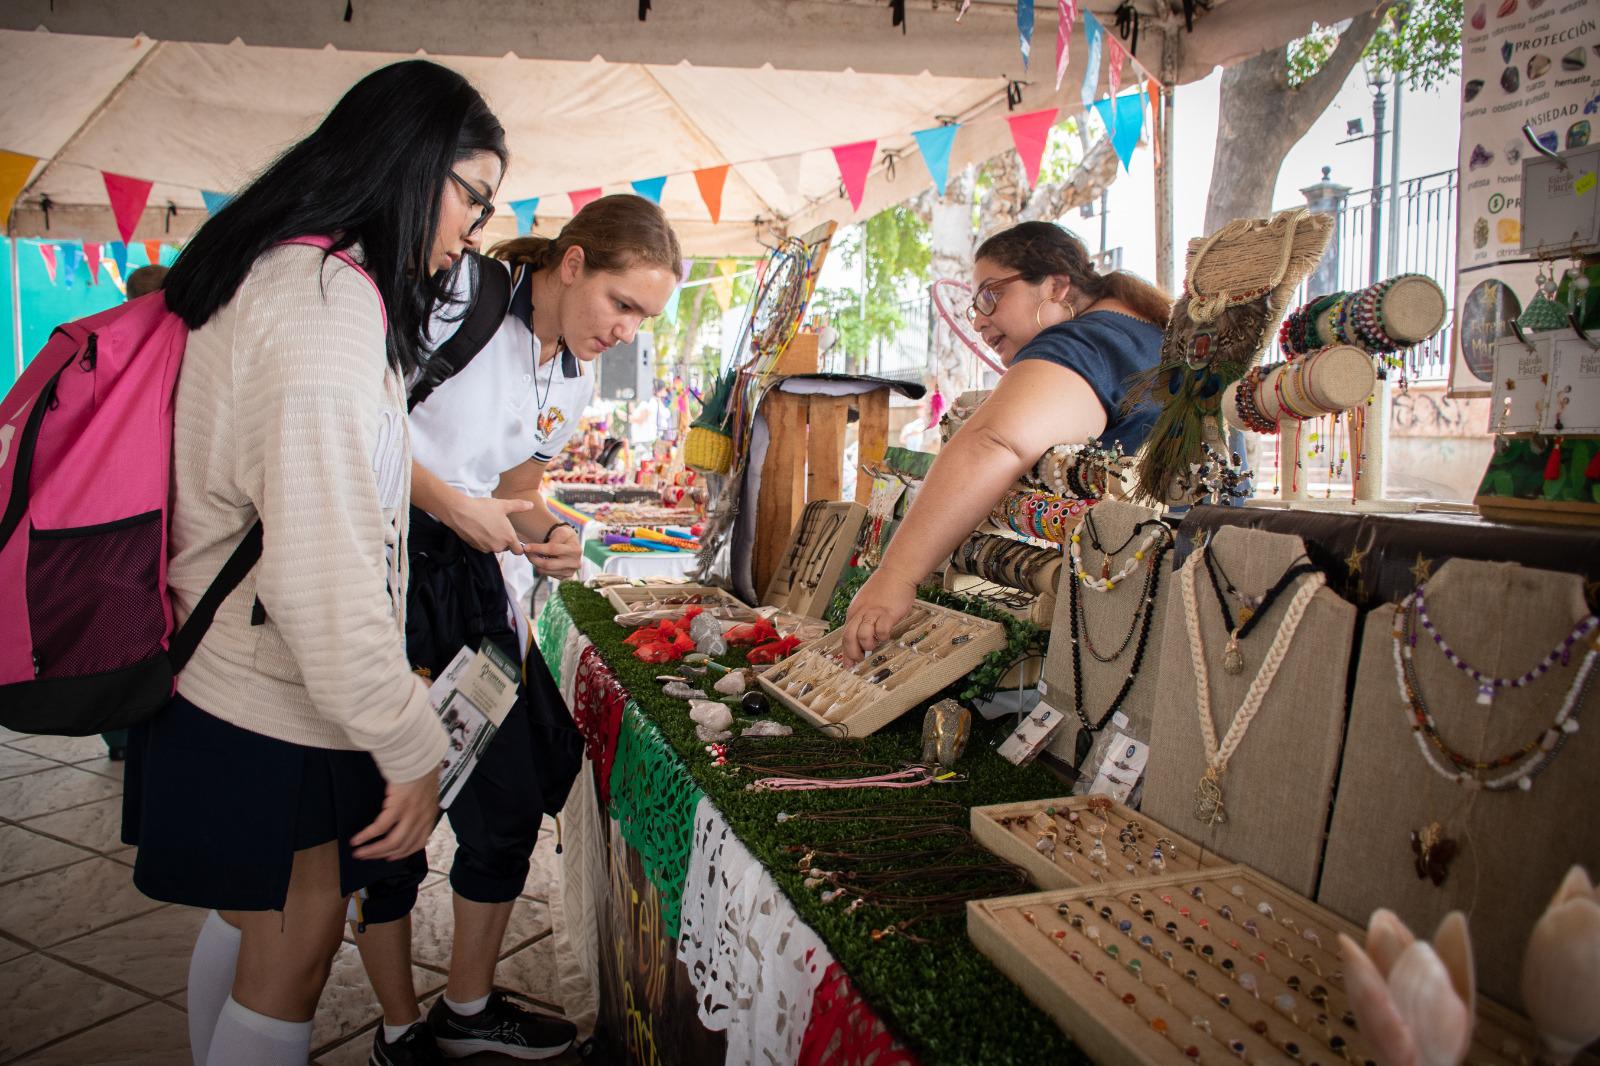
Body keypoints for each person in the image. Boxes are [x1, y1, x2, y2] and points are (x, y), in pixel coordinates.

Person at [119, 60, 507, 1066]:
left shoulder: (293, 272)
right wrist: (408, 739)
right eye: (474, 195)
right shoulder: (320, 301)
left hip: (230, 670)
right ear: (411, 163)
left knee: (257, 927)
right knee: (290, 955)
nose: (476, 228)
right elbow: (322, 570)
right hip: (266, 693)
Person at [353, 193, 681, 1064]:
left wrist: (558, 536)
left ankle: (466, 1008)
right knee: (385, 814)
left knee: (505, 801)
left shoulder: (573, 375)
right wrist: (449, 505)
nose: (626, 332)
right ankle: (397, 1029)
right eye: (622, 303)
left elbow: (516, 493)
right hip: (385, 575)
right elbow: (361, 425)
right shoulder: (459, 296)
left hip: (476, 594)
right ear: (572, 264)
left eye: (643, 319)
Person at [841, 221, 1172, 660]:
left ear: (1055, 286)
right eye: (975, 307)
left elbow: (996, 444)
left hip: (1147, 616)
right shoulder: (1143, 335)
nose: (979, 320)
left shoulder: (1086, 344)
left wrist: (896, 575)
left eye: (990, 295)